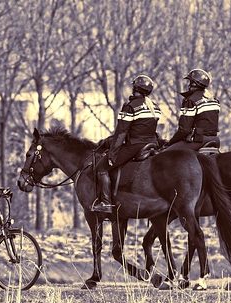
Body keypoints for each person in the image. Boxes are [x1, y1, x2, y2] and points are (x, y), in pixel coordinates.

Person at [92, 74, 162, 213]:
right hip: (152, 144)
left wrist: (112, 153)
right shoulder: (155, 107)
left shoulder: (130, 106)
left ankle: (105, 203)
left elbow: (121, 132)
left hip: (135, 146)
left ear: (135, 88)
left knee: (101, 168)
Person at [166, 68, 220, 151]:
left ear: (194, 84)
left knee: (165, 153)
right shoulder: (214, 100)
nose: (189, 85)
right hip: (215, 140)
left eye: (190, 82)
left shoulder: (190, 100)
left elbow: (184, 130)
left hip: (199, 140)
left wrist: (170, 142)